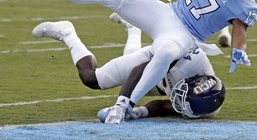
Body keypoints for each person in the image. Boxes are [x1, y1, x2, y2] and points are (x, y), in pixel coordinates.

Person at [14, 0, 257, 123]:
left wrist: (239, 50)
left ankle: (124, 105)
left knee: (165, 51)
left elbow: (239, 29)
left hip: (187, 36)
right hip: (168, 12)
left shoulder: (245, 5)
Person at [30, 13, 225, 123]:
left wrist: (137, 113)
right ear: (192, 81)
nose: (178, 101)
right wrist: (122, 106)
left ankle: (133, 28)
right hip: (158, 58)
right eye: (181, 98)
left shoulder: (204, 105)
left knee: (129, 66)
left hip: (167, 77)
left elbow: (165, 106)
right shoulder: (186, 64)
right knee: (93, 79)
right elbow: (139, 70)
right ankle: (67, 33)